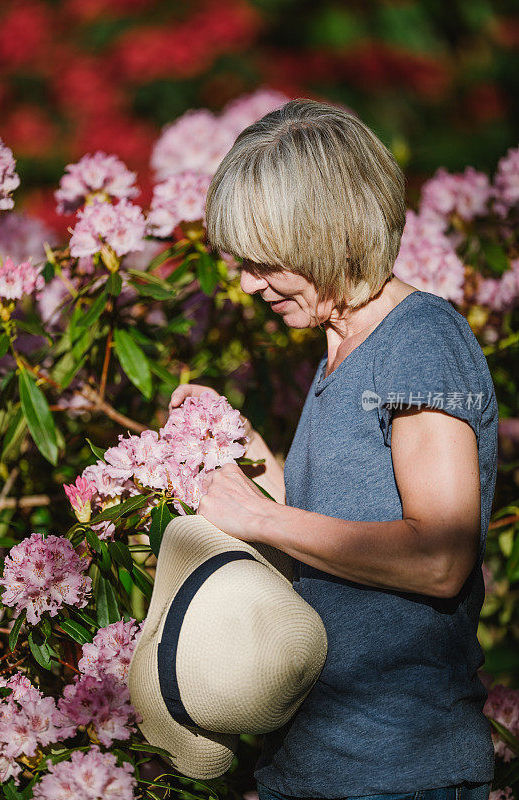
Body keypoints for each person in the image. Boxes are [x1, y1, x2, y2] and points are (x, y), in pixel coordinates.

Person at [168, 99, 498, 800]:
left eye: (264, 262)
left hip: (396, 772)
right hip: (316, 764)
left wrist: (256, 518)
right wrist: (247, 454)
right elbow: (338, 536)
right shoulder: (342, 352)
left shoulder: (418, 343)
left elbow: (437, 559)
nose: (248, 284)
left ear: (326, 233)